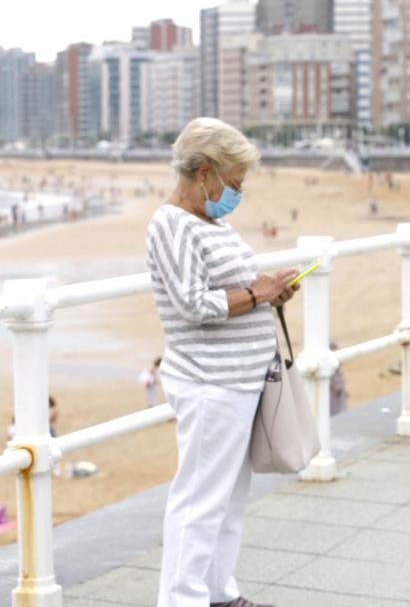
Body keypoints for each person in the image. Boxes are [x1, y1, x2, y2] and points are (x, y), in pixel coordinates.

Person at [147, 117, 300, 607]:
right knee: (199, 500)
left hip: (239, 380)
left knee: (229, 499)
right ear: (204, 172)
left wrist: (269, 292)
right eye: (234, 181)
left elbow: (232, 289)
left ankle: (219, 592)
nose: (238, 191)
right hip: (210, 381)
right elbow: (194, 304)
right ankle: (184, 598)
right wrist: (258, 292)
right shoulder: (171, 223)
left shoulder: (213, 222)